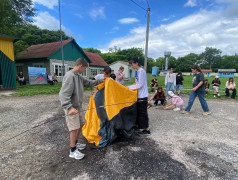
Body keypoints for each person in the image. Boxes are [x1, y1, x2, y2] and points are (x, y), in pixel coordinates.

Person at [59, 58, 104, 160]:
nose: (84, 71)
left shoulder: (78, 76)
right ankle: (72, 150)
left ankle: (75, 143)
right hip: (71, 107)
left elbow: (88, 82)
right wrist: (69, 108)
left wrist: (101, 80)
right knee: (74, 128)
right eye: (84, 69)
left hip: (78, 106)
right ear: (80, 66)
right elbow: (63, 95)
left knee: (81, 124)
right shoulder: (69, 76)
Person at [128, 57, 150, 136]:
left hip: (142, 95)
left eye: (132, 64)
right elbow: (137, 83)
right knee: (139, 112)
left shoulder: (141, 71)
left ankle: (147, 130)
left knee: (143, 113)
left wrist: (129, 87)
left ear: (136, 63)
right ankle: (139, 126)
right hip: (139, 95)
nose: (132, 66)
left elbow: (140, 84)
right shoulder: (138, 71)